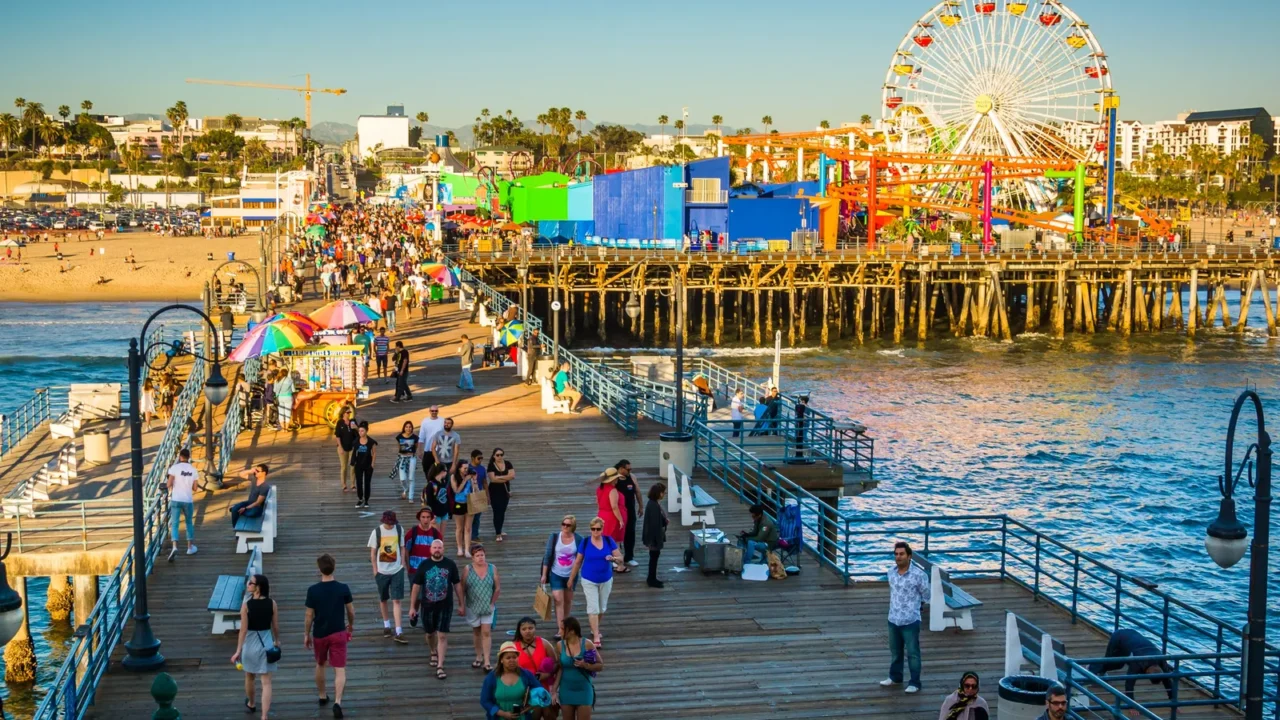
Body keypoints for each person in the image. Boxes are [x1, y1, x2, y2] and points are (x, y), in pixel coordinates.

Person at [304, 553, 354, 719]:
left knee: (320, 664)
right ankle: (338, 702)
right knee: (340, 670)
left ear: (319, 570)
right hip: (338, 632)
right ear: (334, 567)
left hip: (320, 633)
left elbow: (309, 616)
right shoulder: (343, 588)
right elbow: (351, 611)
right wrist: (351, 625)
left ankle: (322, 695)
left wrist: (306, 634)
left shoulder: (313, 590)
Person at [409, 538, 464, 681]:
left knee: (442, 635)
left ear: (443, 549)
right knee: (429, 633)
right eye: (435, 548)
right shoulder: (424, 565)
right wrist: (412, 607)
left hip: (445, 605)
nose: (437, 550)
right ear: (430, 550)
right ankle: (433, 650)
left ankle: (440, 665)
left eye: (439, 547)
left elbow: (457, 584)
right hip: (427, 605)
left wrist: (461, 603)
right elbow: (416, 586)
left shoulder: (450, 564)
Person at [880, 540, 928, 694]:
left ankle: (915, 682)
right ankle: (895, 677)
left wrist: (916, 606)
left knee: (913, 653)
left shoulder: (919, 575)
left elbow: (926, 595)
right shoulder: (890, 573)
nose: (898, 557)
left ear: (909, 556)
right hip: (893, 618)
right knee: (895, 651)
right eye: (896, 554)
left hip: (910, 620)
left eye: (901, 554)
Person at [570, 518, 622, 649]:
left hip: (606, 578)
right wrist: (571, 579)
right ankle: (596, 636)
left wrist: (614, 558)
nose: (595, 531)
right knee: (593, 607)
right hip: (588, 579)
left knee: (602, 607)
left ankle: (595, 628)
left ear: (602, 529)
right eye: (593, 529)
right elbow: (578, 562)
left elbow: (620, 558)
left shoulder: (609, 541)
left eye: (598, 529)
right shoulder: (585, 542)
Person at [231, 574, 278, 720]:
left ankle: (251, 703)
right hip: (266, 645)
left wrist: (238, 650)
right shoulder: (272, 603)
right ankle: (264, 716)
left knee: (249, 676)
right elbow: (275, 626)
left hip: (250, 645)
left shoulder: (247, 606)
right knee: (266, 682)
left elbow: (243, 630)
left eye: (251, 583)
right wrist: (278, 640)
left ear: (258, 587)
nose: (248, 585)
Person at [1087, 628, 1173, 703]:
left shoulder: (1162, 661)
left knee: (1120, 663)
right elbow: (1129, 683)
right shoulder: (1138, 663)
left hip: (1132, 638)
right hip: (1119, 637)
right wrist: (1131, 704)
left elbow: (1167, 681)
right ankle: (1092, 668)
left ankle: (1101, 670)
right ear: (1147, 673)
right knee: (1113, 662)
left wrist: (1173, 700)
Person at [368, 510, 408, 645]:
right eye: (388, 523)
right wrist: (375, 570)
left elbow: (402, 547)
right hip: (382, 571)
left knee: (397, 599)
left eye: (392, 523)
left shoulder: (399, 529)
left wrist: (402, 563)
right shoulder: (377, 532)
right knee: (383, 598)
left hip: (397, 569)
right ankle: (386, 625)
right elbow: (373, 553)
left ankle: (398, 630)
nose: (390, 526)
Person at [542, 515, 583, 640]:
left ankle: (566, 623)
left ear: (573, 527)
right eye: (563, 524)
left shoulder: (578, 539)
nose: (565, 527)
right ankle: (561, 629)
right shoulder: (554, 537)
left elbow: (579, 559)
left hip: (571, 574)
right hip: (556, 573)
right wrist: (544, 574)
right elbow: (547, 555)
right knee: (558, 600)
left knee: (568, 600)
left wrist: (572, 578)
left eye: (568, 525)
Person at [553, 617, 602, 718]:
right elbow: (560, 669)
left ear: (571, 631)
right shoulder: (559, 645)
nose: (560, 631)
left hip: (584, 689)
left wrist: (586, 665)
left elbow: (600, 665)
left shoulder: (587, 644)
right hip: (566, 689)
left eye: (562, 629)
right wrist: (554, 690)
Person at [462, 544, 501, 671]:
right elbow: (462, 588)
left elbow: (497, 588)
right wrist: (461, 604)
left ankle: (487, 660)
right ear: (472, 557)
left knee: (486, 632)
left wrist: (492, 602)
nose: (480, 558)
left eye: (482, 555)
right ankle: (478, 656)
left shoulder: (492, 568)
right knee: (476, 632)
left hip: (487, 605)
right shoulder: (467, 569)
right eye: (477, 555)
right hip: (472, 605)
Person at [480, 641, 543, 720]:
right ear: (501, 660)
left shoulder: (526, 675)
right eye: (508, 658)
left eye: (514, 657)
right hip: (499, 717)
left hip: (522, 717)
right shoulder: (492, 677)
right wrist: (503, 714)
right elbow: (485, 701)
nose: (512, 660)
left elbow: (540, 691)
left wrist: (530, 706)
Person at [165, 447, 198, 561]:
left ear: (180, 457)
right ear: (189, 457)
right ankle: (190, 547)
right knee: (189, 522)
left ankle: (175, 546)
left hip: (176, 499)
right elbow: (195, 488)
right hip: (187, 500)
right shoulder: (193, 470)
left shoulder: (174, 468)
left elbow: (168, 484)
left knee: (175, 524)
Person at [594, 469, 627, 571]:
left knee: (605, 539)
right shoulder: (612, 490)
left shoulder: (599, 489)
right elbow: (614, 506)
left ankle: (608, 561)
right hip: (612, 517)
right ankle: (616, 564)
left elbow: (598, 503)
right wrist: (620, 520)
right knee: (614, 541)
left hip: (602, 515)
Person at [641, 483, 669, 589]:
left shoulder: (653, 503)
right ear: (659, 493)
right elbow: (654, 524)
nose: (664, 494)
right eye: (663, 492)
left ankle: (652, 578)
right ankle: (651, 579)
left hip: (652, 537)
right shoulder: (654, 506)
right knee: (654, 558)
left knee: (654, 558)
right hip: (654, 538)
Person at [614, 460, 640, 567]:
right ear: (621, 468)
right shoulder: (614, 478)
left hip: (630, 510)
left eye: (630, 469)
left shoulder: (632, 477)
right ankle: (616, 558)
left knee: (630, 533)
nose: (630, 471)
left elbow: (637, 491)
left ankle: (629, 557)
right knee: (617, 535)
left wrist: (641, 506)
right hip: (618, 511)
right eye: (628, 469)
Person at [451, 463, 479, 557]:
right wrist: (464, 480)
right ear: (459, 468)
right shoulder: (454, 477)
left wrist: (474, 481)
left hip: (469, 503)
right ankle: (460, 548)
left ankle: (467, 549)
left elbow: (476, 491)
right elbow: (456, 490)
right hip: (459, 503)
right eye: (464, 468)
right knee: (459, 528)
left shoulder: (469, 477)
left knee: (468, 528)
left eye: (467, 468)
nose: (466, 470)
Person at [405, 508, 444, 575]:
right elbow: (406, 550)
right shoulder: (412, 532)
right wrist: (408, 567)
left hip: (431, 571)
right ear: (419, 518)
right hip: (414, 570)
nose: (425, 520)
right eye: (423, 517)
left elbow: (440, 551)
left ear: (431, 518)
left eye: (428, 517)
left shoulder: (436, 534)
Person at [487, 448, 515, 542]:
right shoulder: (491, 465)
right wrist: (506, 478)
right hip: (494, 491)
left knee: (502, 511)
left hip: (505, 491)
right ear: (494, 456)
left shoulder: (507, 463)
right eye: (497, 455)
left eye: (501, 454)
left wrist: (499, 477)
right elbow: (492, 479)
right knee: (497, 512)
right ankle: (498, 533)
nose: (500, 457)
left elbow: (512, 476)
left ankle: (500, 529)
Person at [351, 421, 377, 509]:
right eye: (359, 431)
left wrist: (372, 464)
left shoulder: (371, 442)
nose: (360, 433)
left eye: (362, 431)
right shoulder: (356, 441)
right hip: (359, 464)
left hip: (368, 464)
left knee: (367, 482)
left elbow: (374, 453)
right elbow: (354, 452)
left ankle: (366, 500)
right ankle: (360, 498)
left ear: (366, 431)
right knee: (359, 482)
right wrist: (353, 462)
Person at [334, 406, 358, 493]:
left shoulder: (353, 421)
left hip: (352, 447)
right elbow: (337, 436)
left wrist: (355, 427)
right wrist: (340, 447)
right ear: (343, 413)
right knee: (344, 467)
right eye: (348, 412)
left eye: (350, 412)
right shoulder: (340, 423)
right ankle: (344, 485)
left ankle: (353, 484)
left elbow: (360, 432)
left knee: (353, 466)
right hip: (343, 447)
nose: (349, 414)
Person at [466, 449, 488, 542]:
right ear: (472, 458)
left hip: (478, 494)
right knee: (468, 517)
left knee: (477, 517)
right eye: (479, 458)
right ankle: (467, 535)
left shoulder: (482, 469)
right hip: (467, 495)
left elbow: (485, 482)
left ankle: (474, 536)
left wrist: (487, 495)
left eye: (481, 458)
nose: (480, 460)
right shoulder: (467, 468)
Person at [393, 420, 418, 500]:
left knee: (411, 478)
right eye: (406, 427)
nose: (408, 428)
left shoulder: (415, 437)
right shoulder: (399, 437)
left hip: (412, 458)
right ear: (404, 428)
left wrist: (412, 454)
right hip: (402, 458)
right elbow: (399, 447)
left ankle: (411, 497)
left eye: (410, 427)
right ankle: (406, 489)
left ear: (412, 428)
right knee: (402, 479)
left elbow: (416, 447)